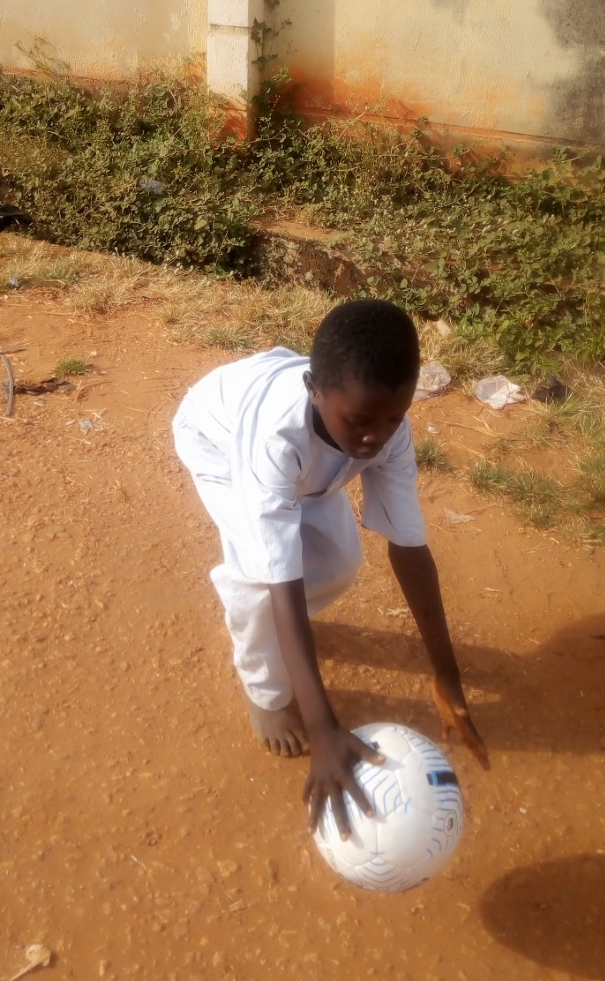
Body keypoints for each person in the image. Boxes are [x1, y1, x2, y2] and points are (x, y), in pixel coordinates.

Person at [172, 299, 489, 839]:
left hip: (314, 460)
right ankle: (265, 690)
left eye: (394, 417)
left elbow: (409, 548)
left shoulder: (378, 424)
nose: (376, 437)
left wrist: (447, 676)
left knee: (340, 563)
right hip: (221, 443)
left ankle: (284, 634)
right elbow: (281, 574)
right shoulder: (275, 437)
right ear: (313, 390)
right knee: (261, 578)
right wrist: (322, 727)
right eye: (362, 421)